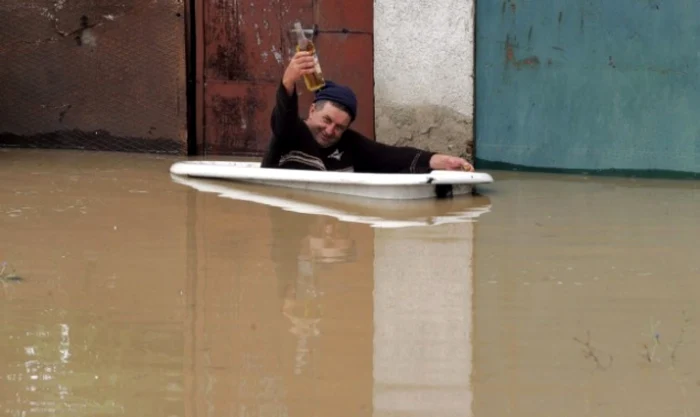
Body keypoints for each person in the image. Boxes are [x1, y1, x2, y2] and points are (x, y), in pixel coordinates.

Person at [261, 50, 474, 173]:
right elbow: (283, 119)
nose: (329, 130)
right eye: (326, 120)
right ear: (312, 109)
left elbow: (391, 156)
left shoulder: (349, 144)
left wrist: (441, 161)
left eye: (339, 127)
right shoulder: (290, 133)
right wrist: (288, 81)